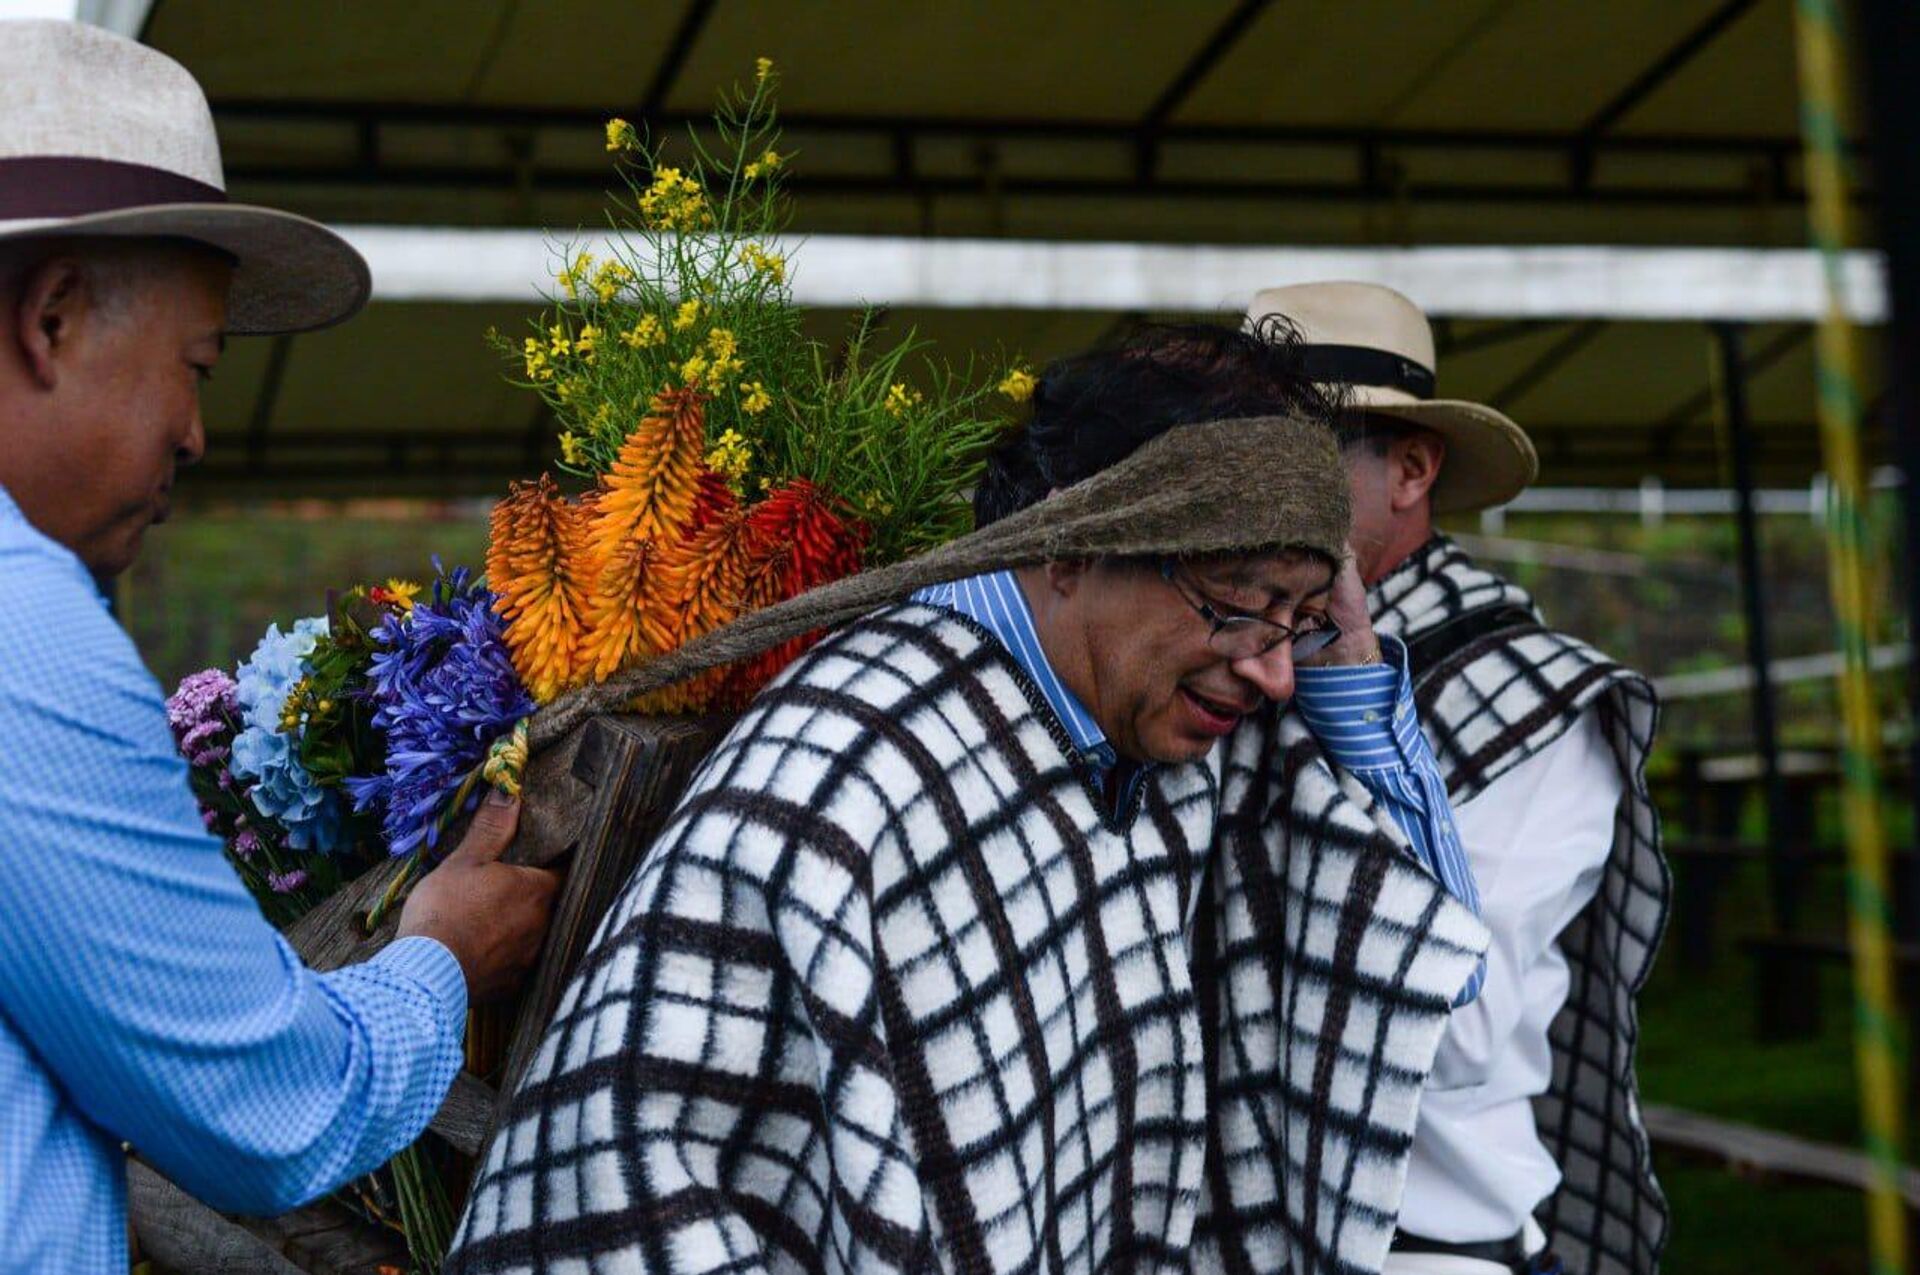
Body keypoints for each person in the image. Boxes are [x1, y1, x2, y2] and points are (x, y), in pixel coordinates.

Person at [446, 324, 1491, 1275]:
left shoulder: (1145, 734)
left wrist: (1343, 656)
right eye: (1242, 607)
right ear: (1075, 541)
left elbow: (1414, 955)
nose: (1272, 674)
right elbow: (612, 1173)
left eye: (1298, 619)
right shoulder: (852, 770)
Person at [0, 21, 559, 1274]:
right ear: (54, 320)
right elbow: (268, 1106)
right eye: (192, 367)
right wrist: (443, 955)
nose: (196, 433)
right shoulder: (17, 627)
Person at [1247, 283, 1671, 1275]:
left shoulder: (1540, 702)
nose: (1249, 492)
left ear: (1413, 468)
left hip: (1426, 1250)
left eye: (1292, 457)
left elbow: (1461, 1024)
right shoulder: (1237, 648)